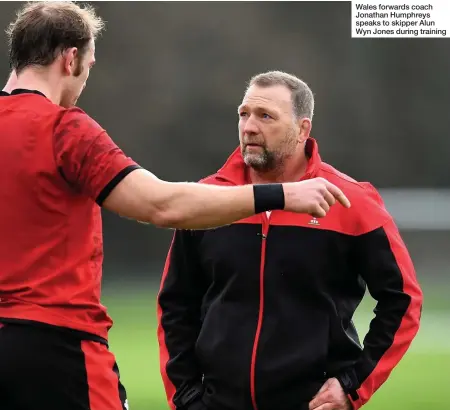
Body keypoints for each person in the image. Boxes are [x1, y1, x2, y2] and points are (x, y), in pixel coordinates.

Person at [0, 3, 351, 410]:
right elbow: (161, 204)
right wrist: (280, 195)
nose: (84, 81)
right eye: (89, 66)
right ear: (70, 58)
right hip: (55, 347)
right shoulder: (65, 128)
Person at [157, 71, 423, 410]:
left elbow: (403, 299)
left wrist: (353, 385)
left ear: (302, 129)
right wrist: (185, 396)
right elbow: (175, 304)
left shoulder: (351, 201)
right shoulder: (207, 199)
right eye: (244, 114)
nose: (249, 127)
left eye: (265, 116)